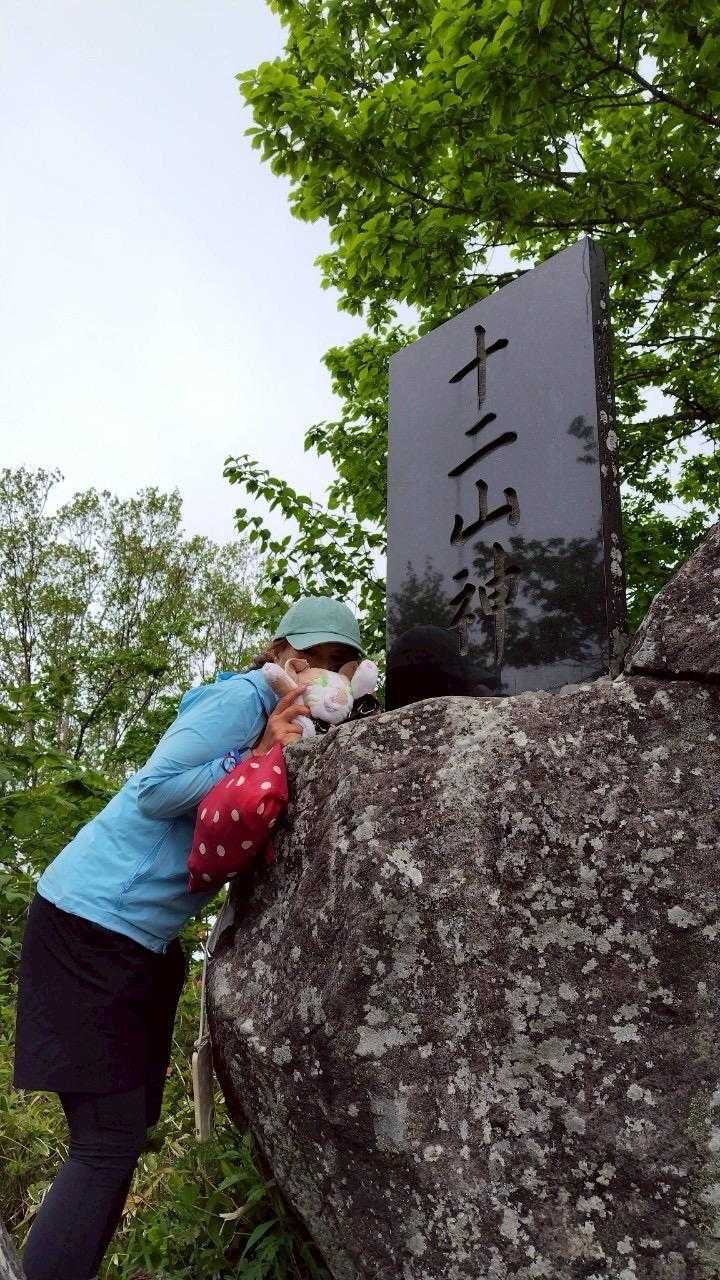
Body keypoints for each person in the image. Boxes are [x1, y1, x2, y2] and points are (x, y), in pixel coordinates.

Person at [13, 596, 363, 1280]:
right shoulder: (244, 698)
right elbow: (155, 790)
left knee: (121, 1137)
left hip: (138, 942)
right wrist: (256, 752)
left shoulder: (301, 723)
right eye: (310, 656)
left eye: (338, 663)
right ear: (280, 652)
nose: (320, 672)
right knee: (106, 1142)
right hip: (90, 924)